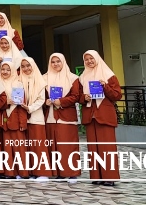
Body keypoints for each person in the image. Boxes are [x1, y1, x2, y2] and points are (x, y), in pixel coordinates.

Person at [79, 50, 122, 186]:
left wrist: (105, 87)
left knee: (107, 147)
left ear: (97, 58)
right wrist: (84, 98)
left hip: (104, 115)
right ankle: (96, 175)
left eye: (91, 58)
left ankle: (109, 177)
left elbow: (117, 95)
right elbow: (79, 95)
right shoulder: (83, 77)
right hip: (90, 116)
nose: (89, 61)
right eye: (86, 59)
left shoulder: (108, 75)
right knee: (93, 148)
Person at [43, 53, 82, 183]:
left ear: (63, 62)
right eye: (53, 62)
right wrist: (46, 102)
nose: (55, 64)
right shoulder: (44, 78)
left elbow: (76, 96)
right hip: (50, 116)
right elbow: (40, 96)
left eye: (58, 61)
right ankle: (58, 172)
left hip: (66, 116)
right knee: (54, 145)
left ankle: (72, 173)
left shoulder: (73, 78)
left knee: (68, 145)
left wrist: (61, 101)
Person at [19, 57, 51, 181]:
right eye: (23, 66)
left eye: (28, 65)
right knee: (28, 146)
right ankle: (32, 172)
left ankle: (43, 173)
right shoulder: (19, 80)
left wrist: (30, 108)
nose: (26, 68)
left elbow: (41, 100)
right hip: (23, 117)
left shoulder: (40, 81)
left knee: (39, 145)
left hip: (36, 116)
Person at [0, 59, 29, 179]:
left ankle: (22, 173)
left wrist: (23, 122)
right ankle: (9, 173)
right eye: (3, 69)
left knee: (19, 147)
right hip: (4, 117)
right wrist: (5, 103)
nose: (5, 72)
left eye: (8, 69)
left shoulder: (18, 84)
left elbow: (22, 105)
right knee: (6, 147)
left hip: (16, 117)